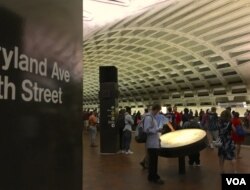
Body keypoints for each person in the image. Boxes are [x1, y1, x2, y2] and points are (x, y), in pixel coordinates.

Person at [143, 103, 174, 184]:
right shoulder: (148, 118)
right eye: (158, 110)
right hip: (151, 143)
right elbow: (146, 130)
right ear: (156, 109)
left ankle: (151, 176)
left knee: (153, 161)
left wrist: (157, 130)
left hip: (154, 142)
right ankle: (154, 177)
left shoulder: (152, 117)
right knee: (153, 161)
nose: (158, 112)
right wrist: (157, 130)